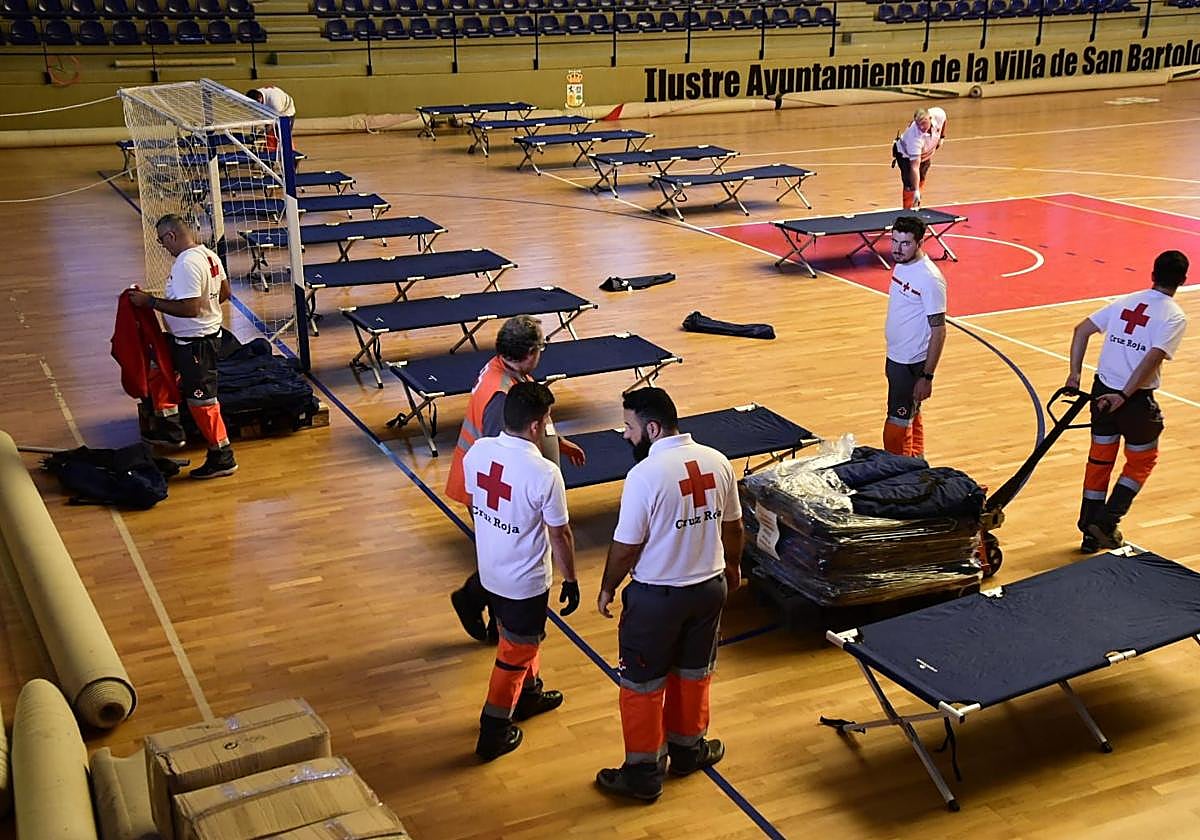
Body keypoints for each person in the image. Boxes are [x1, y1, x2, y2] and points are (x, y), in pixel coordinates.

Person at [594, 387, 744, 802]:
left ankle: (642, 774)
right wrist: (733, 567)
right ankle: (688, 750)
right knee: (694, 672)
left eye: (629, 427)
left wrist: (607, 586)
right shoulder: (717, 461)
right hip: (709, 591)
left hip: (656, 601)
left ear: (653, 429)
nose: (626, 435)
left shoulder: (645, 475)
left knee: (641, 684)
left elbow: (626, 545)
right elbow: (734, 526)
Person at [446, 316, 585, 644]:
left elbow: (527, 424)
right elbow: (504, 454)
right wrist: (536, 488)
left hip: (495, 481)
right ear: (530, 353)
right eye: (541, 348)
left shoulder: (508, 371)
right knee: (511, 555)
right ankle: (486, 611)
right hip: (495, 487)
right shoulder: (501, 395)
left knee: (508, 554)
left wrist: (558, 443)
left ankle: (488, 612)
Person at [464, 382, 579, 761]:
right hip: (524, 583)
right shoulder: (543, 473)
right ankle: (493, 731)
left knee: (518, 637)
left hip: (490, 570)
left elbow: (475, 504)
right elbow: (560, 534)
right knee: (516, 652)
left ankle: (529, 695)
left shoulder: (478, 452)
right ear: (536, 425)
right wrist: (571, 579)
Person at [1066, 250, 1189, 552]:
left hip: (1101, 393)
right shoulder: (1174, 316)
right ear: (1183, 280)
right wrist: (1124, 396)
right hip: (1133, 402)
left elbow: (1081, 330)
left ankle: (1089, 532)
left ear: (1152, 274)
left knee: (1099, 461)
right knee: (1142, 461)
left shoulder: (1127, 301)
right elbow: (1152, 358)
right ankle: (1107, 522)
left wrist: (1074, 375)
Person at [126, 214, 237, 479]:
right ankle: (170, 430)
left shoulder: (187, 264)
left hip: (197, 346)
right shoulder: (208, 255)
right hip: (190, 340)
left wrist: (150, 302)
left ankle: (222, 456)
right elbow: (224, 293)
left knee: (202, 402)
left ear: (171, 236)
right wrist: (208, 312)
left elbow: (190, 308)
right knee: (158, 366)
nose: (163, 246)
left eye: (162, 241)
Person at [883, 215, 947, 458]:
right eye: (894, 241)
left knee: (896, 424)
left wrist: (927, 376)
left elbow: (939, 331)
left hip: (911, 363)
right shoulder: (902, 264)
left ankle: (897, 469)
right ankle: (916, 464)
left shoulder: (930, 279)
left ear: (920, 243)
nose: (897, 249)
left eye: (905, 243)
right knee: (910, 413)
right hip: (896, 356)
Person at [892, 106, 947, 210]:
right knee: (910, 184)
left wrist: (942, 137)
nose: (921, 127)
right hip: (906, 157)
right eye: (918, 124)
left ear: (930, 118)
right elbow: (914, 167)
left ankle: (916, 203)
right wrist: (916, 190)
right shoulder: (914, 137)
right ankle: (907, 211)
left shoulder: (938, 114)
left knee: (921, 177)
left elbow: (944, 120)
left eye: (924, 123)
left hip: (925, 154)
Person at [246, 86, 296, 155]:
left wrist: (265, 131)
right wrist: (254, 132)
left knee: (284, 136)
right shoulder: (254, 96)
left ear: (259, 98)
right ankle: (270, 154)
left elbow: (275, 121)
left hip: (286, 112)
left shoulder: (274, 102)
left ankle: (291, 155)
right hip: (272, 111)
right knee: (269, 135)